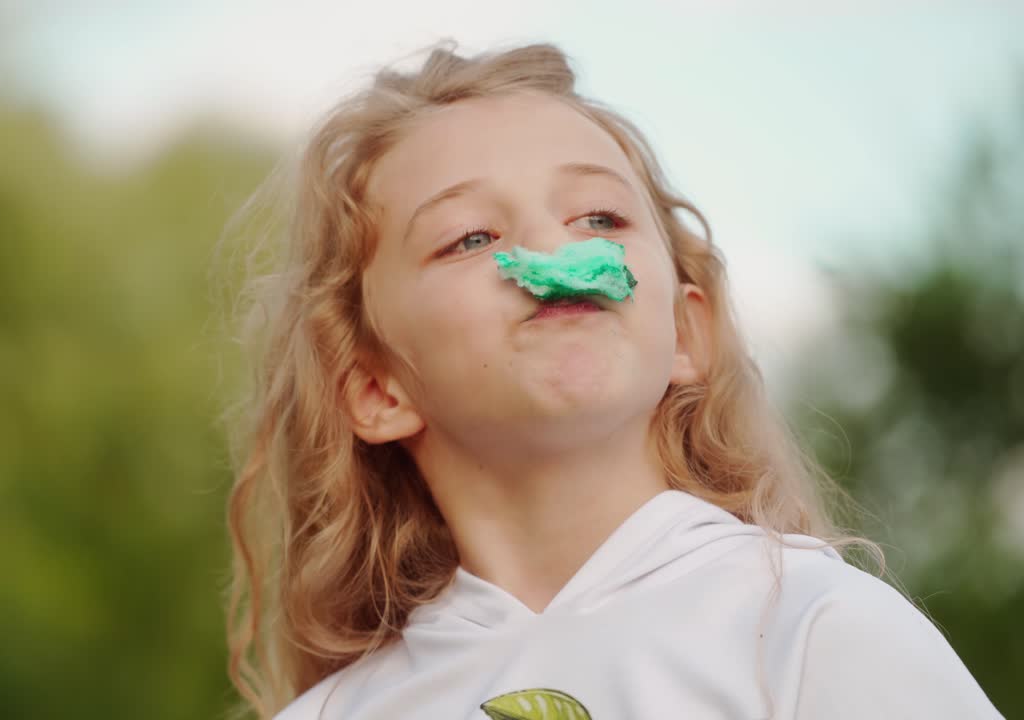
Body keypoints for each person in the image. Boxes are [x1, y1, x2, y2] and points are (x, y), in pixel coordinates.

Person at [217, 40, 1004, 720]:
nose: (551, 248)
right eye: (470, 237)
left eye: (599, 218)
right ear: (379, 391)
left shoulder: (814, 630)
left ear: (686, 335)